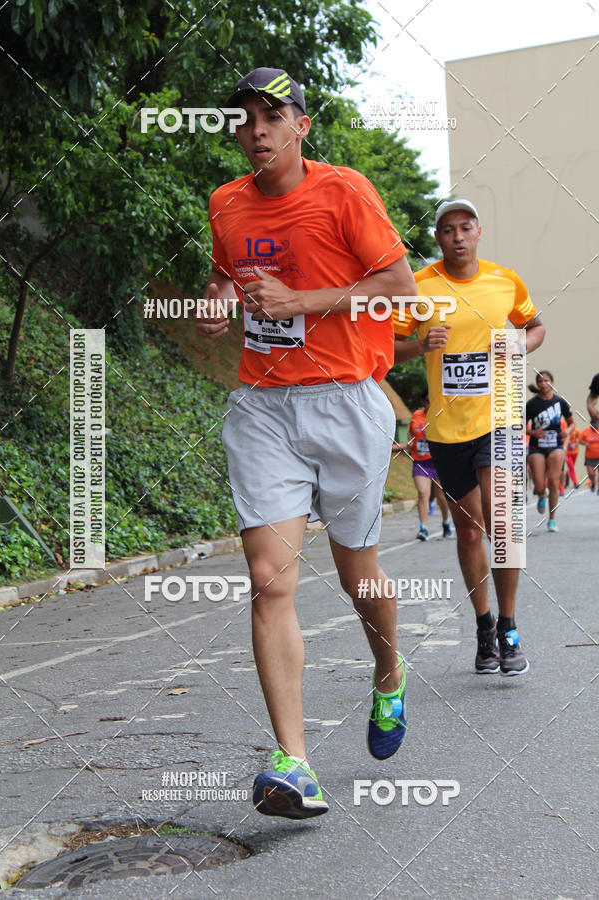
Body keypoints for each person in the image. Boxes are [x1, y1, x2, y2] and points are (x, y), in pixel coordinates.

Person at [197, 68, 417, 819]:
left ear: (301, 125)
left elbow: (400, 286)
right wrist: (218, 302)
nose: (257, 130)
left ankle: (388, 675)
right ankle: (293, 762)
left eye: (272, 116)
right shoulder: (226, 202)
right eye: (245, 119)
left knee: (360, 575)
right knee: (268, 579)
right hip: (263, 407)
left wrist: (304, 301)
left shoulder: (344, 191)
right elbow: (227, 273)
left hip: (347, 402)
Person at [393, 198, 545, 676]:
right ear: (437, 238)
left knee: (503, 522)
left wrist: (520, 342)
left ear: (478, 232)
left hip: (497, 419)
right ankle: (484, 628)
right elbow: (384, 349)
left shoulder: (506, 281)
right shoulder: (419, 286)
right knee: (471, 530)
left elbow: (536, 326)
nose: (457, 236)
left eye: (466, 227)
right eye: (447, 229)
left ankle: (510, 626)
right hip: (445, 428)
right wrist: (420, 344)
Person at [395, 393, 453, 540]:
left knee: (442, 497)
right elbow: (411, 438)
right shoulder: (416, 415)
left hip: (440, 461)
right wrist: (400, 447)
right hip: (421, 462)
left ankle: (446, 522)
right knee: (423, 494)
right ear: (423, 401)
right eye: (427, 401)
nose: (429, 404)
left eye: (432, 401)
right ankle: (423, 528)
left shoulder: (442, 414)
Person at [526, 371, 574, 531]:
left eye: (546, 380)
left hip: (556, 444)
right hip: (536, 446)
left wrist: (567, 431)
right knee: (540, 486)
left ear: (552, 382)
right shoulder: (531, 404)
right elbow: (520, 425)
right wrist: (533, 432)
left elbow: (572, 423)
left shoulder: (560, 402)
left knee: (554, 482)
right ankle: (541, 495)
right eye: (540, 381)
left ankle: (552, 519)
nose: (543, 384)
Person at [578, 420, 599, 491]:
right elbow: (580, 440)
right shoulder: (586, 431)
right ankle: (593, 481)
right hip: (589, 457)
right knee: (591, 473)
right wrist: (585, 443)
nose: (595, 426)